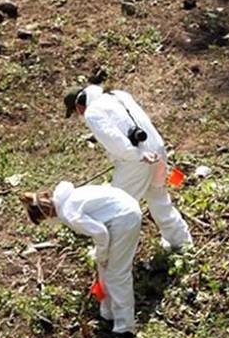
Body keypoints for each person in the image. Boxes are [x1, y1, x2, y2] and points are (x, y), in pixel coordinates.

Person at [64, 85, 192, 251]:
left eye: (75, 113)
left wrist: (138, 155)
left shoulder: (92, 113)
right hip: (158, 151)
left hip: (135, 161)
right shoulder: (119, 96)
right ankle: (181, 242)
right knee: (159, 199)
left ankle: (108, 252)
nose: (79, 116)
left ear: (79, 106)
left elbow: (114, 140)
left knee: (116, 206)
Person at [20, 182, 143, 338]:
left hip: (125, 218)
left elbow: (100, 233)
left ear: (46, 214)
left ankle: (125, 329)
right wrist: (101, 255)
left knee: (117, 274)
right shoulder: (66, 199)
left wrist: (102, 254)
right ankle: (108, 312)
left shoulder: (69, 213)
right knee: (105, 268)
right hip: (121, 211)